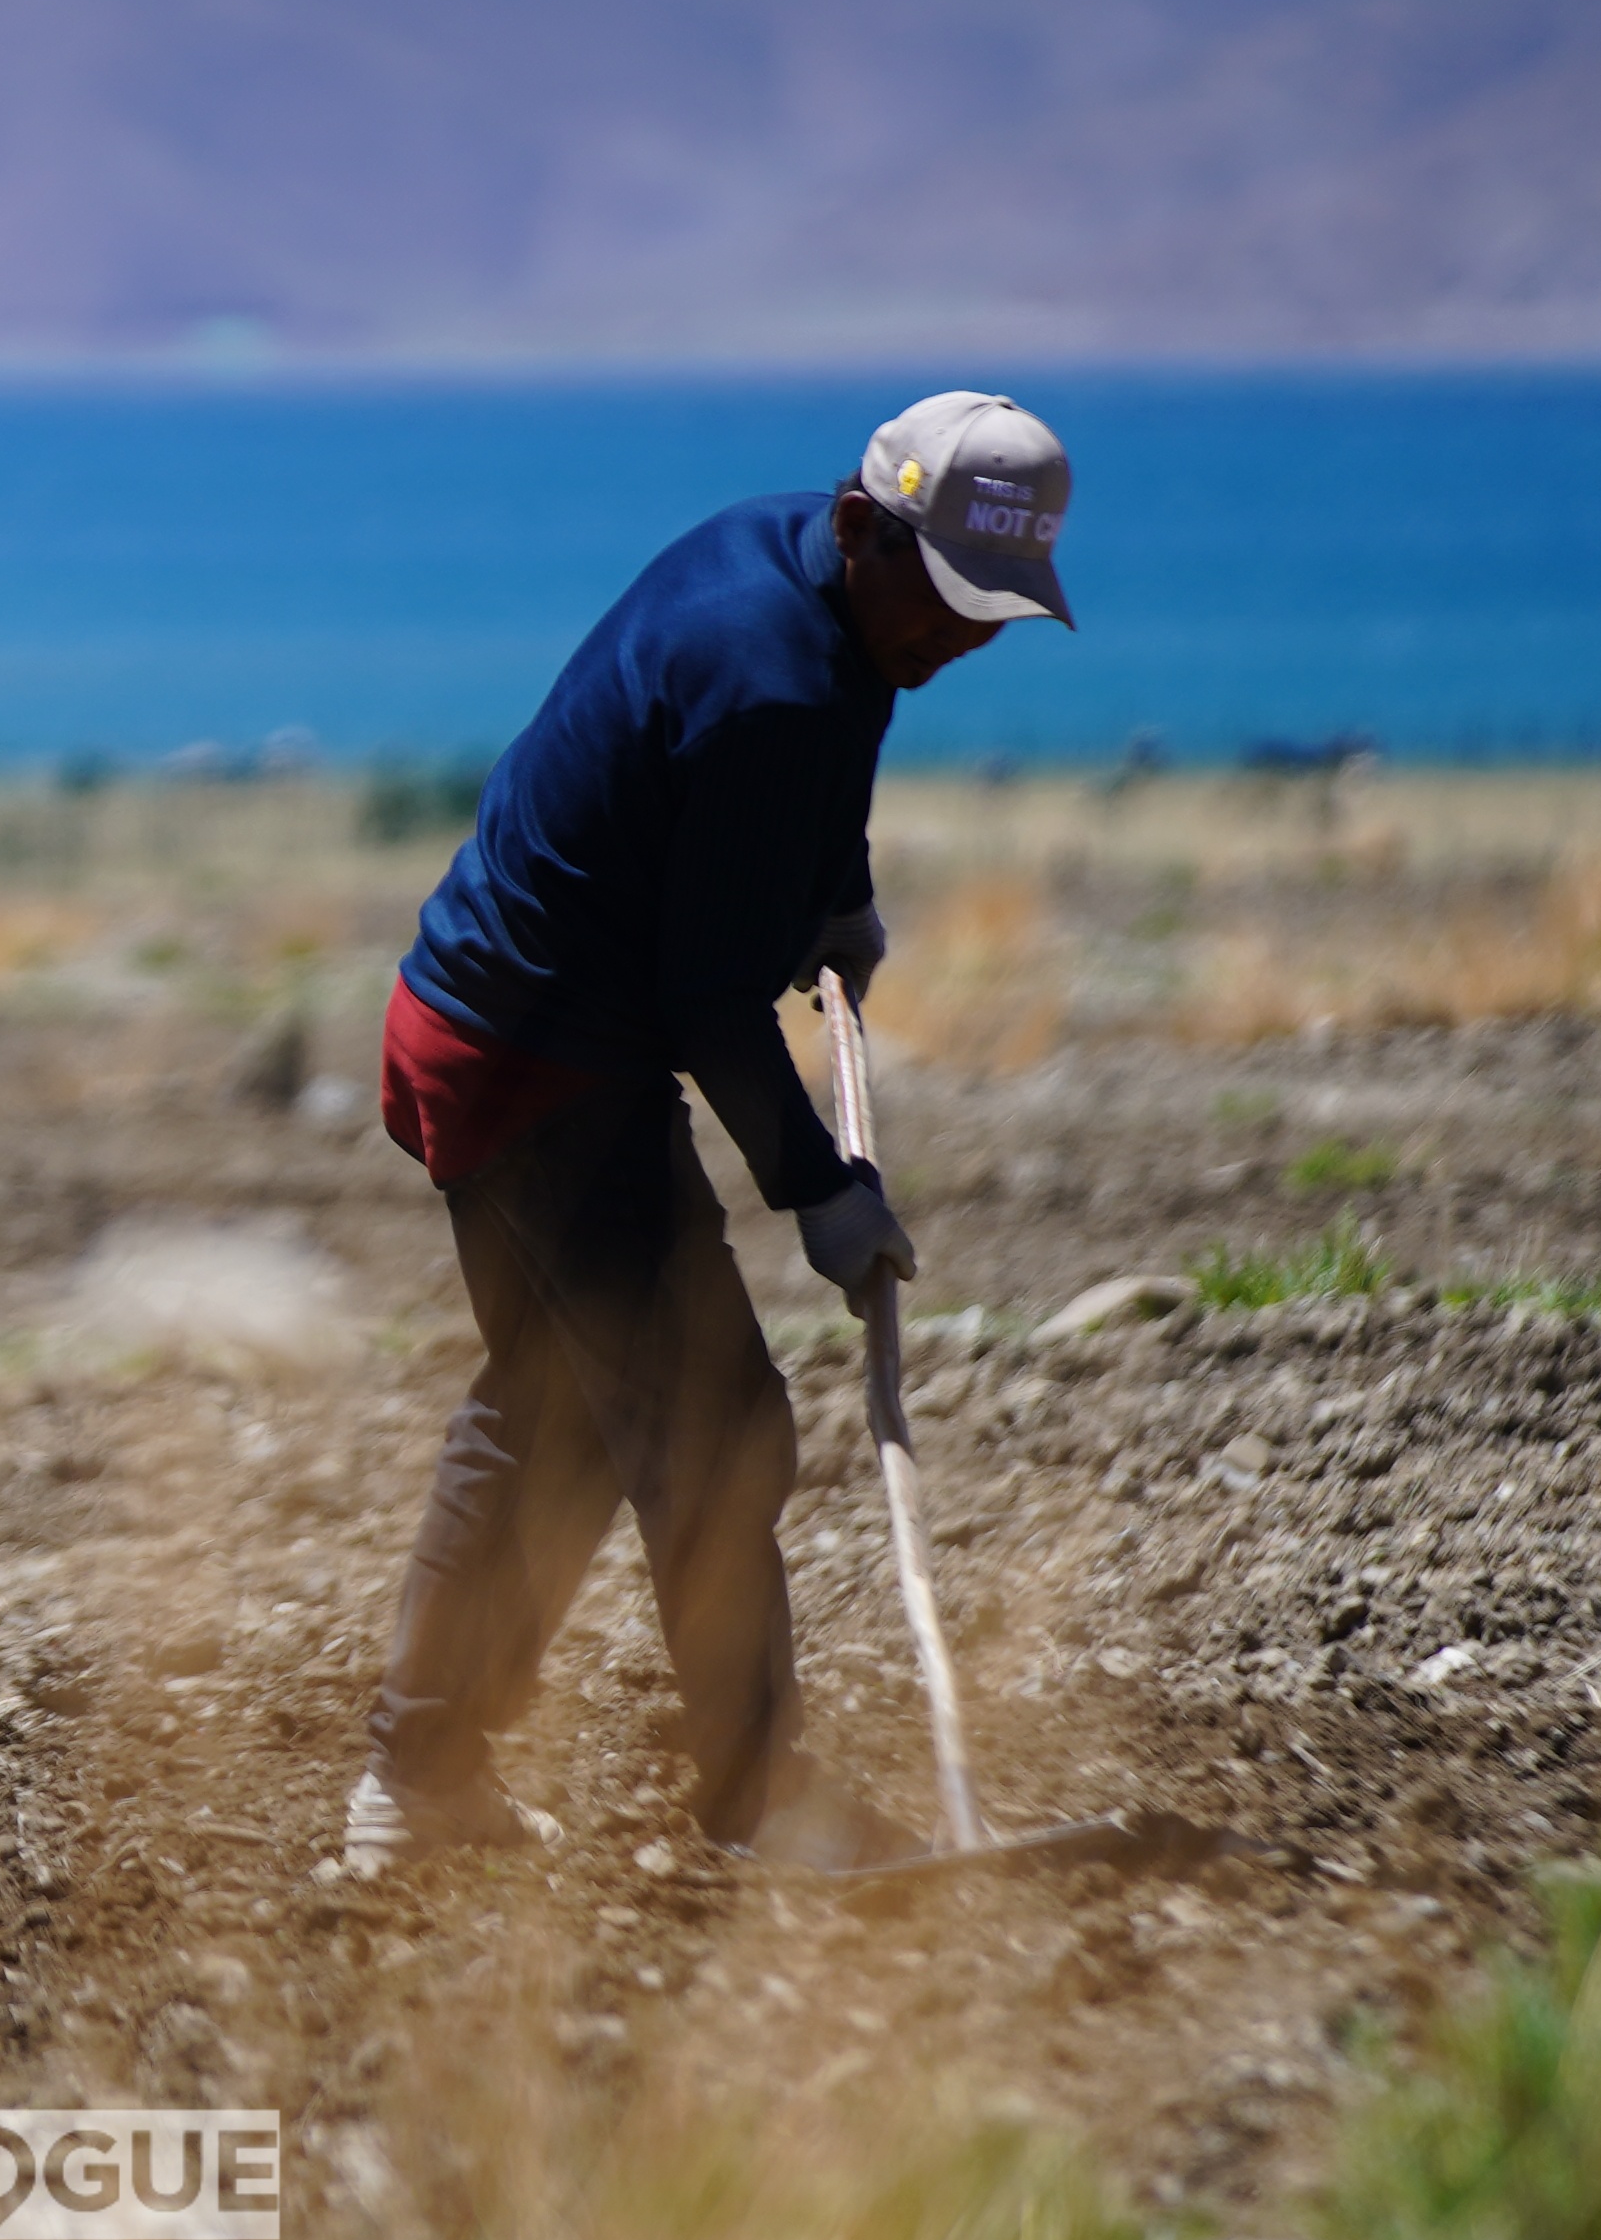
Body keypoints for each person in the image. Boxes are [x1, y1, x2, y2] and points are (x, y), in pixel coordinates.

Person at [347, 391, 1073, 1874]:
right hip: (543, 1070)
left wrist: (831, 886)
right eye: (946, 603)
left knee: (551, 1412)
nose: (959, 641)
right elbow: (703, 1000)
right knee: (718, 1429)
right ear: (868, 526)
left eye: (989, 615)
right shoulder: (774, 677)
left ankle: (418, 1784)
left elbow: (831, 747)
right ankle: (761, 1805)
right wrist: (822, 1189)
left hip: (471, 1025)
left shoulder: (807, 582)